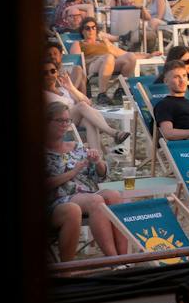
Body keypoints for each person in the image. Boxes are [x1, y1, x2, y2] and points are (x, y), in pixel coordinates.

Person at [45, 103, 128, 258]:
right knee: (95, 200)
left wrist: (98, 162)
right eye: (60, 120)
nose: (65, 125)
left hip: (86, 193)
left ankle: (124, 258)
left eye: (68, 121)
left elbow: (100, 176)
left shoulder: (76, 147)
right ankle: (114, 261)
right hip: (56, 201)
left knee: (114, 195)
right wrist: (73, 172)